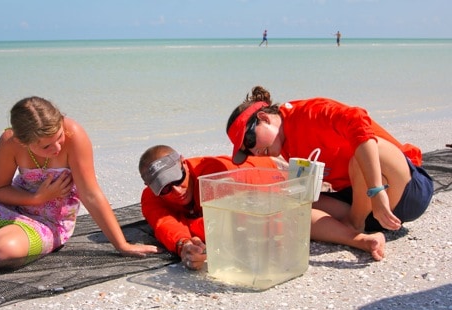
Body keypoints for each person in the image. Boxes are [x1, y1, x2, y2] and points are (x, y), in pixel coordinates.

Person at [226, 86, 433, 261]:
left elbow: (359, 119)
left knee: (366, 152)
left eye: (250, 141)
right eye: (247, 151)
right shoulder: (284, 145)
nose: (253, 151)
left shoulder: (307, 113)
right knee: (292, 205)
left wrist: (376, 190)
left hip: (405, 192)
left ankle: (355, 222)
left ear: (264, 118)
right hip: (362, 204)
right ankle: (360, 239)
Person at [0, 96, 159, 266]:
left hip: (50, 220)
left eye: (59, 137)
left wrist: (122, 245)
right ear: (21, 141)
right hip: (6, 208)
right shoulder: (9, 142)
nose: (57, 148)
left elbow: (90, 193)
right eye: (46, 146)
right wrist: (37, 197)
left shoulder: (74, 134)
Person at [138, 145, 286, 270]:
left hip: (280, 170)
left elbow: (223, 225)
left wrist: (186, 224)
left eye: (178, 179)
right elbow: (163, 223)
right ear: (150, 187)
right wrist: (184, 245)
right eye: (165, 188)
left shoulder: (214, 171)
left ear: (184, 163)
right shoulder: (150, 197)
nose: (177, 190)